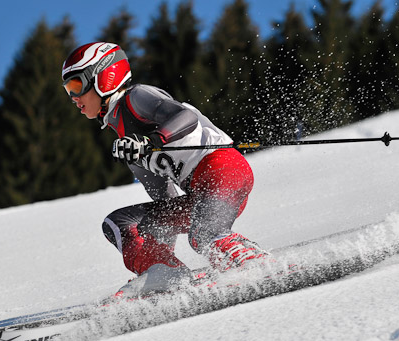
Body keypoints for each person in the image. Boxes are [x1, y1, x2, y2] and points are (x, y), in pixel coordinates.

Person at [62, 42, 271, 297]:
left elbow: (185, 118)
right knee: (120, 223)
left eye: (75, 86)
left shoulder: (136, 97)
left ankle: (253, 264)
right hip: (200, 194)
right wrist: (156, 247)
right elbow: (166, 201)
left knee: (203, 234)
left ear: (106, 77)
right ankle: (164, 273)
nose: (73, 98)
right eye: (67, 90)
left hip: (222, 168)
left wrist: (151, 142)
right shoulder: (126, 142)